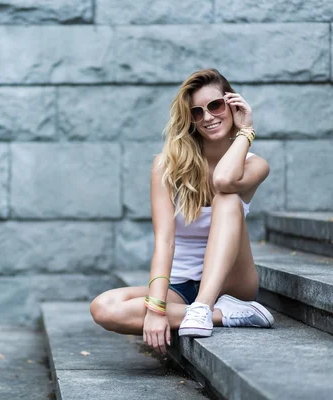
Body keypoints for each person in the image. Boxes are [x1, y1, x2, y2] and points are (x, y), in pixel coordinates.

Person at [90, 68, 274, 355]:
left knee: (226, 197)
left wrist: (246, 131)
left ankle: (204, 305)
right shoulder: (167, 165)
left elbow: (224, 181)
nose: (208, 117)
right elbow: (165, 240)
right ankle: (223, 315)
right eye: (197, 112)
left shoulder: (254, 164)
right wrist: (156, 307)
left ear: (232, 103)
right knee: (104, 307)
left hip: (231, 284)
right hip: (180, 286)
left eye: (215, 105)